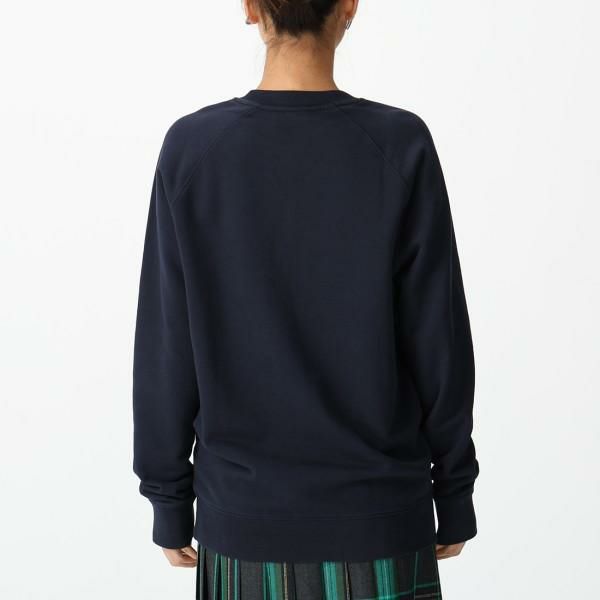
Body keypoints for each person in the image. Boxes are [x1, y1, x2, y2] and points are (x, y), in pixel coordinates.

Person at [132, 0, 479, 598]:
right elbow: (438, 342)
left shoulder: (194, 150)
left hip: (244, 527)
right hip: (381, 522)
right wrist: (453, 492)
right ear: (349, 7)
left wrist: (169, 500)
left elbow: (168, 345)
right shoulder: (398, 145)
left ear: (250, 8)